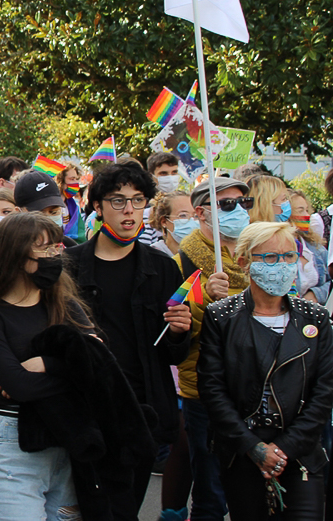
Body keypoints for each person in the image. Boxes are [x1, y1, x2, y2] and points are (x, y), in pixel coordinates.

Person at [64, 161, 192, 518]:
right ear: (98, 206)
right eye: (118, 201)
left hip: (144, 412)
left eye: (138, 201)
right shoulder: (69, 266)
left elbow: (172, 353)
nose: (129, 210)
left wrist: (181, 330)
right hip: (89, 412)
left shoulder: (162, 267)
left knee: (126, 510)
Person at [198, 221, 333, 520]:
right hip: (242, 452)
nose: (281, 265)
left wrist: (283, 449)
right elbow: (213, 389)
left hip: (300, 455)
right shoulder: (222, 317)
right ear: (245, 262)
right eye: (270, 257)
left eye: (288, 256)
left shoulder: (315, 318)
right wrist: (254, 447)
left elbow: (324, 391)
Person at [0, 213, 93, 521]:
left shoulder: (65, 305)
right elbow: (21, 387)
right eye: (43, 249)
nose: (54, 256)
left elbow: (100, 365)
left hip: (68, 443)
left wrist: (46, 364)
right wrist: (74, 369)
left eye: (56, 247)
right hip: (14, 450)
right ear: (15, 253)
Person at [174, 176, 254, 521]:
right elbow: (173, 329)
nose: (238, 211)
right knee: (211, 495)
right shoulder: (184, 261)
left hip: (252, 385)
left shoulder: (258, 255)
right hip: (206, 388)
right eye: (226, 204)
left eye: (243, 203)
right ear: (201, 212)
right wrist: (206, 298)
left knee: (249, 491)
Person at [13, 171, 78, 248]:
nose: (48, 220)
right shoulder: (10, 253)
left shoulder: (72, 249)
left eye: (54, 212)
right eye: (39, 214)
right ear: (19, 212)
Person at [290, 190, 330, 305]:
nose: (307, 215)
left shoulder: (316, 248)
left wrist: (315, 294)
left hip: (315, 315)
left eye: (307, 210)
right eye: (300, 210)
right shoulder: (277, 249)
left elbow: (330, 281)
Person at [147, 191, 196, 256]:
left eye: (196, 216)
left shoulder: (203, 257)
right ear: (164, 221)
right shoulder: (152, 256)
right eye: (183, 215)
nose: (192, 221)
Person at [55, 164, 84, 243]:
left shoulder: (75, 206)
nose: (76, 183)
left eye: (76, 179)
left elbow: (80, 234)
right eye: (72, 179)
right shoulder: (51, 206)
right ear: (61, 181)